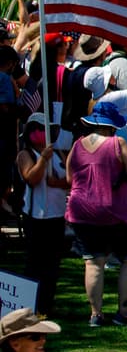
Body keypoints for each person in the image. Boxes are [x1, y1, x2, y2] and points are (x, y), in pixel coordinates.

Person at [65, 100, 127, 327]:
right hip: (114, 210)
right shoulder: (118, 143)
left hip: (82, 211)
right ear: (112, 126)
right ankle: (123, 312)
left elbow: (70, 178)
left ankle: (95, 314)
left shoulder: (77, 145)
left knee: (93, 262)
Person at [15, 112, 68, 316]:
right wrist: (43, 159)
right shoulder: (25, 155)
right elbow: (32, 178)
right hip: (36, 217)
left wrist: (57, 182)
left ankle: (47, 304)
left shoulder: (58, 153)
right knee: (35, 263)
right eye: (38, 129)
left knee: (52, 263)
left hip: (56, 215)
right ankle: (30, 305)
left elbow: (69, 180)